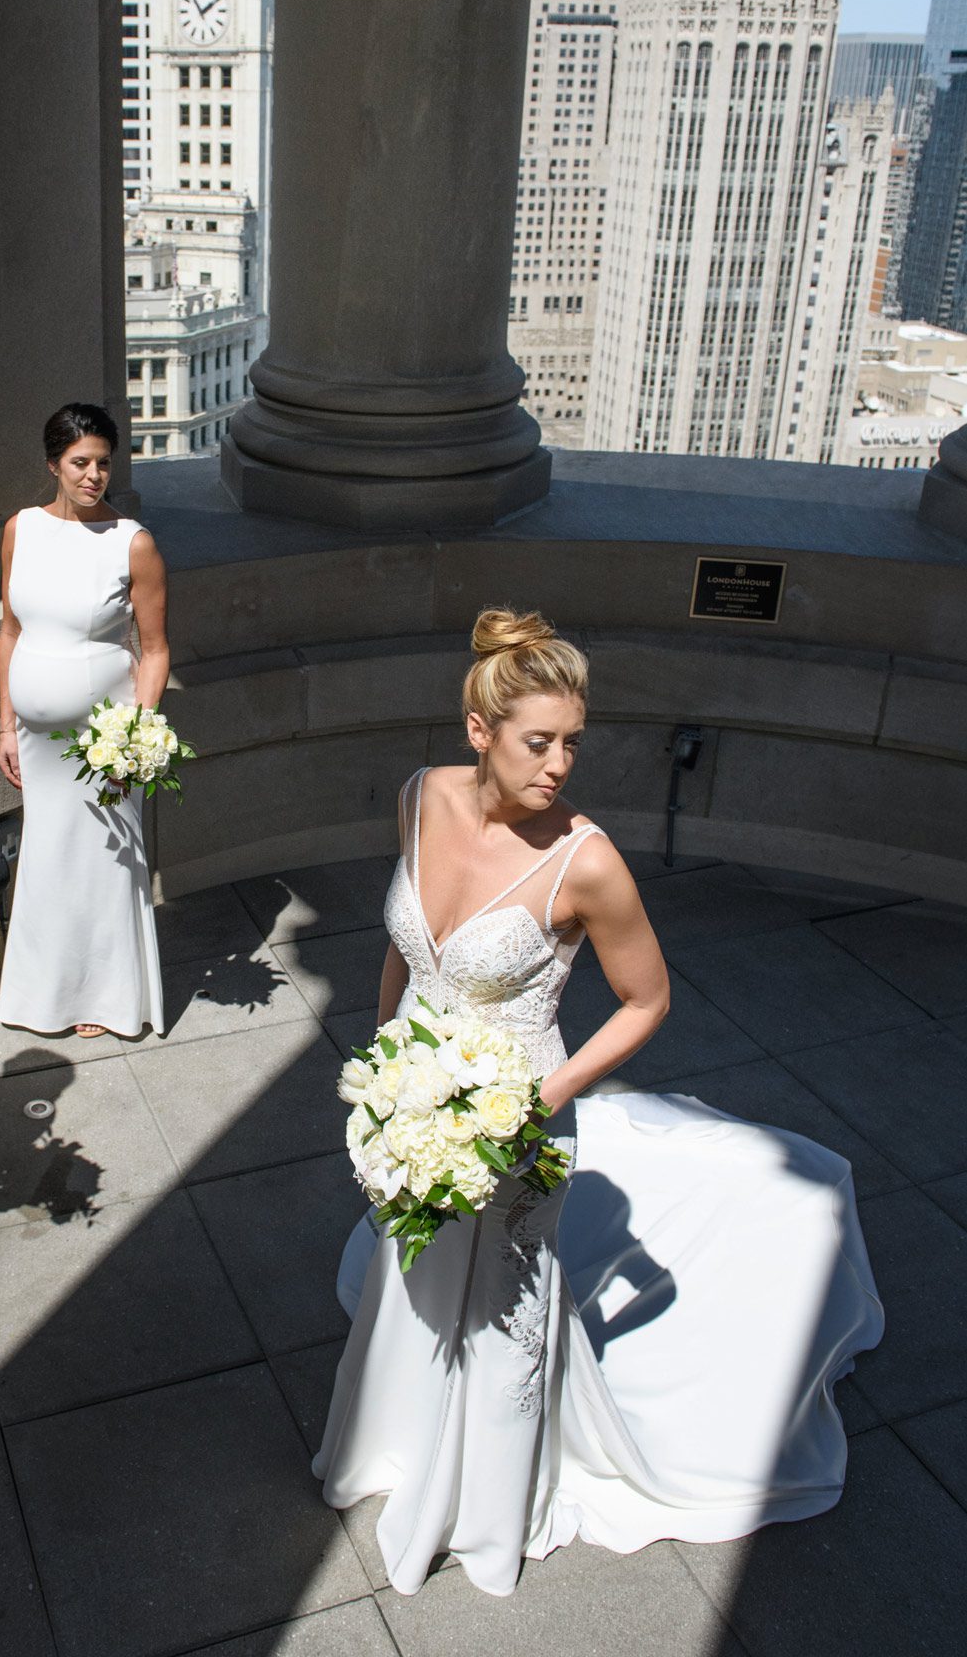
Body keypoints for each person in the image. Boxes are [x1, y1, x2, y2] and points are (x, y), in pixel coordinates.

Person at [314, 607, 883, 1597]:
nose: (560, 764)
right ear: (478, 731)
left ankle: (487, 1507)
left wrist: (542, 1093)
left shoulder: (585, 860)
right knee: (422, 1277)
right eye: (540, 741)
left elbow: (647, 999)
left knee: (500, 1304)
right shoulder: (418, 797)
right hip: (416, 1101)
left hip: (518, 1118)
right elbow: (402, 948)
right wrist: (385, 1056)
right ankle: (400, 1438)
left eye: (574, 741)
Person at [0, 403, 167, 1039]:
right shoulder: (21, 530)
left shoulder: (133, 542)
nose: (93, 475)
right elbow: (9, 632)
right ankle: (46, 992)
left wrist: (136, 737)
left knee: (100, 857)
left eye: (102, 463)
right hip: (37, 740)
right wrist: (7, 726)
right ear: (53, 466)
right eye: (80, 463)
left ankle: (104, 995)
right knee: (48, 855)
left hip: (106, 741)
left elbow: (155, 649)